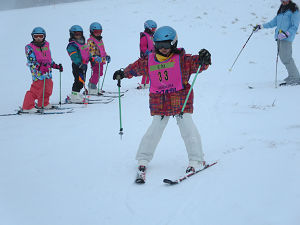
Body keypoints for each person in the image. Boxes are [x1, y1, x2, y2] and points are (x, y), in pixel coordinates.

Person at [113, 26, 211, 183]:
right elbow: (136, 67)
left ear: (174, 43)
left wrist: (204, 59)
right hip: (160, 101)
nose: (164, 49)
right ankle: (143, 160)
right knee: (155, 129)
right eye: (159, 45)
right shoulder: (149, 60)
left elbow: (198, 64)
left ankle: (196, 160)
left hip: (180, 98)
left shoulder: (182, 59)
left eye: (167, 45)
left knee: (187, 126)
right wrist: (123, 73)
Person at [253, 0, 300, 86]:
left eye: (285, 0)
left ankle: (296, 78)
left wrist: (286, 34)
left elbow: (295, 26)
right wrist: (261, 26)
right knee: (283, 58)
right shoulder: (281, 9)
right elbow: (273, 22)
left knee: (287, 58)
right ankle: (292, 76)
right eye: (282, 0)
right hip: (279, 38)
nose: (283, 2)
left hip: (287, 38)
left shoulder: (294, 10)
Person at [22, 27, 63, 113]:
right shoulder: (29, 47)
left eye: (40, 36)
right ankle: (27, 106)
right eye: (36, 36)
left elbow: (49, 59)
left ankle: (43, 103)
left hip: (47, 71)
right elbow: (31, 61)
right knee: (37, 89)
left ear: (44, 36)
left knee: (48, 87)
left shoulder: (46, 45)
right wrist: (39, 67)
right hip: (37, 72)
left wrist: (55, 65)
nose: (38, 38)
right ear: (32, 37)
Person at [66, 25, 101, 103]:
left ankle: (76, 94)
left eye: (80, 34)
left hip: (84, 65)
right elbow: (74, 56)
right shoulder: (72, 45)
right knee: (78, 80)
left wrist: (92, 58)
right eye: (76, 34)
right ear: (72, 34)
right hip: (77, 65)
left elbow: (87, 53)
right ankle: (74, 96)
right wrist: (79, 63)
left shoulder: (83, 43)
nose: (78, 36)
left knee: (82, 80)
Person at [87, 22, 111, 95]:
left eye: (100, 31)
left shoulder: (99, 40)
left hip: (101, 60)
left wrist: (106, 56)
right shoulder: (90, 41)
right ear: (92, 31)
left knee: (99, 73)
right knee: (96, 73)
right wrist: (94, 57)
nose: (98, 33)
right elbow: (89, 51)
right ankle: (92, 87)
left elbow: (102, 50)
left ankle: (92, 86)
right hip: (95, 60)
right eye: (96, 32)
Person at [137, 20, 157, 89]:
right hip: (146, 56)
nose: (154, 31)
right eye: (153, 29)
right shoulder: (144, 36)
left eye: (155, 29)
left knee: (151, 69)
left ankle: (148, 82)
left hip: (152, 56)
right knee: (147, 70)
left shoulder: (151, 36)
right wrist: (148, 53)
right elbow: (143, 47)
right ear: (148, 28)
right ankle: (144, 83)